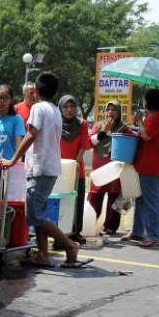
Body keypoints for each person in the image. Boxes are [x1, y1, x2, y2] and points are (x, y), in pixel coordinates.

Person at [0, 72, 86, 269]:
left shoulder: (38, 108)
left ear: (35, 90)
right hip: (48, 167)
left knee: (35, 216)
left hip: (41, 168)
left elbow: (32, 134)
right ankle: (43, 255)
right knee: (39, 213)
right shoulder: (54, 110)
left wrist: (13, 159)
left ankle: (70, 245)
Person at [122, 89, 159, 248]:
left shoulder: (157, 117)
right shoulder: (155, 116)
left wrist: (139, 121)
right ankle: (137, 231)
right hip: (145, 163)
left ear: (149, 101)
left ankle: (153, 235)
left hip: (151, 164)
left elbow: (147, 135)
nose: (143, 102)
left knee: (150, 200)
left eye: (144, 99)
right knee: (139, 199)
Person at [87, 101, 127, 235]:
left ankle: (111, 226)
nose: (110, 112)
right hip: (99, 168)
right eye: (108, 109)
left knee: (115, 196)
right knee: (94, 196)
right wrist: (103, 131)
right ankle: (89, 222)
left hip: (116, 169)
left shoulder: (124, 128)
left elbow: (132, 144)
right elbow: (89, 143)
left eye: (114, 109)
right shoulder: (98, 125)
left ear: (119, 112)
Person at [57, 95, 91, 243]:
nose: (69, 110)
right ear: (60, 108)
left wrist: (74, 165)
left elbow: (84, 146)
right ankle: (59, 232)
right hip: (58, 168)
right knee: (60, 201)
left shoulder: (82, 124)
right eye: (66, 106)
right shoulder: (56, 123)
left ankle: (76, 231)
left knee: (77, 201)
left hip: (77, 169)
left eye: (72, 106)